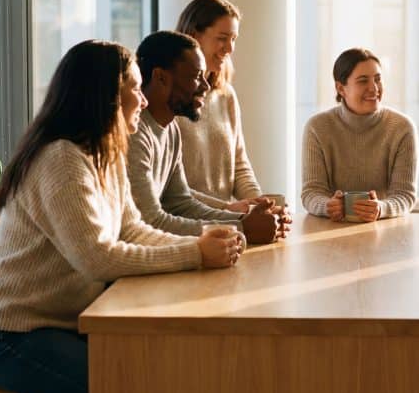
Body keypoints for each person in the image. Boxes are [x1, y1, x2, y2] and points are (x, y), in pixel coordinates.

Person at [0, 40, 244, 393]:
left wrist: (202, 241)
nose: (145, 99)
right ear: (106, 96)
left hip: (57, 324)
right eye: (135, 88)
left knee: (153, 381)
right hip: (8, 334)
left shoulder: (104, 154)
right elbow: (97, 257)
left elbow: (131, 230)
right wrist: (193, 253)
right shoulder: (60, 160)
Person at [128, 30, 289, 244]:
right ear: (161, 77)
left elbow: (182, 204)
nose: (205, 86)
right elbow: (150, 221)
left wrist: (247, 218)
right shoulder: (135, 134)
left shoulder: (171, 129)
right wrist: (241, 226)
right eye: (196, 77)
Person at [302, 47, 418, 222]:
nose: (374, 88)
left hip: (387, 231)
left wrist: (381, 208)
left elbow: (405, 195)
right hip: (332, 231)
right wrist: (328, 206)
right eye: (363, 81)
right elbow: (311, 193)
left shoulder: (402, 128)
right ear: (341, 88)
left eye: (378, 79)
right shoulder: (317, 127)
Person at [175, 0, 266, 214]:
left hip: (225, 222)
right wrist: (226, 209)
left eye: (234, 39)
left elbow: (240, 165)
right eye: (222, 38)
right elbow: (170, 187)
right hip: (187, 223)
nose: (230, 48)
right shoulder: (171, 100)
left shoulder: (226, 95)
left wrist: (260, 205)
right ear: (194, 35)